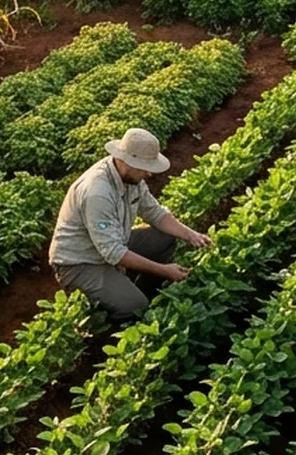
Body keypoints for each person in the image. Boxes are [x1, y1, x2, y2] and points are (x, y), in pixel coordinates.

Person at [49, 126, 210, 323]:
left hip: (112, 245)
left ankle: (134, 290)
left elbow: (154, 212)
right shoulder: (97, 192)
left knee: (165, 236)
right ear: (127, 161)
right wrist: (165, 270)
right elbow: (113, 252)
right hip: (81, 262)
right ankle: (120, 319)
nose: (149, 174)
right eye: (145, 168)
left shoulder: (131, 177)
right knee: (135, 308)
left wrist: (191, 235)